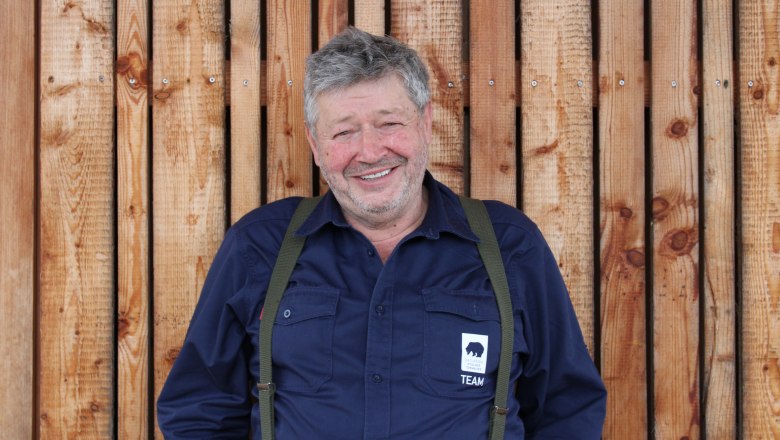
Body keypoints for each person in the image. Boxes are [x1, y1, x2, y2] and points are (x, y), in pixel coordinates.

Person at [157, 26, 606, 439]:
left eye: (389, 124)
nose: (369, 151)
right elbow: (198, 407)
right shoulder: (258, 248)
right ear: (316, 147)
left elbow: (567, 408)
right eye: (344, 132)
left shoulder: (510, 245)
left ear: (426, 123)